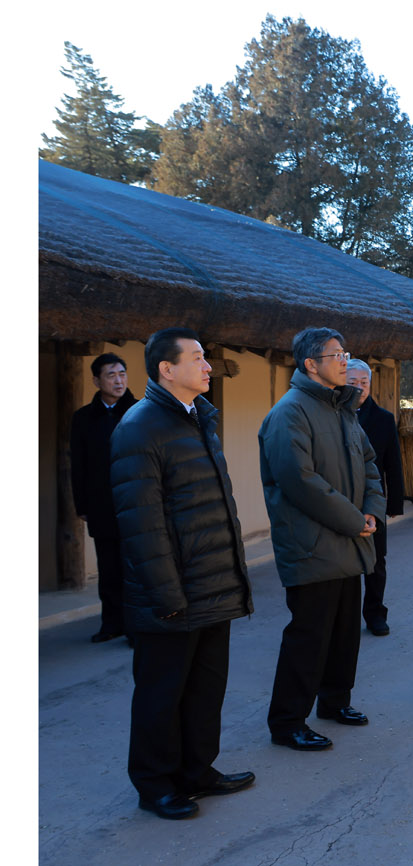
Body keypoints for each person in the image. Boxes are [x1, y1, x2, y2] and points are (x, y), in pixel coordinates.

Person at [110, 328, 254, 820]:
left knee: (204, 689)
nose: (208, 365)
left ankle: (197, 771)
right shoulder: (140, 426)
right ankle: (155, 784)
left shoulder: (198, 420)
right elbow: (142, 523)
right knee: (160, 694)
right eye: (197, 358)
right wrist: (167, 596)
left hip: (213, 584)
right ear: (166, 369)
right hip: (173, 594)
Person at [260, 328, 385, 751]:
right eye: (335, 355)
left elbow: (370, 463)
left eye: (346, 353)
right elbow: (300, 482)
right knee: (308, 637)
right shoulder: (290, 412)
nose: (344, 361)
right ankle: (287, 721)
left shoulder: (342, 409)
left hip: (350, 539)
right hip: (313, 543)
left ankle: (335, 702)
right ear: (310, 364)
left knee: (345, 631)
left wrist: (372, 511)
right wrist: (355, 520)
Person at [71, 352, 137, 644]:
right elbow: (78, 463)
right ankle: (112, 623)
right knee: (108, 568)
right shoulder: (83, 418)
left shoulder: (140, 411)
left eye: (122, 373)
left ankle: (138, 627)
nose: (119, 380)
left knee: (136, 567)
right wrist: (82, 505)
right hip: (101, 504)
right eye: (111, 375)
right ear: (97, 380)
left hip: (136, 503)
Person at [345, 359, 405, 636]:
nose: (359, 388)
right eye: (352, 382)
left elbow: (393, 462)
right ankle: (343, 617)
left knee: (376, 560)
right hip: (342, 499)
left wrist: (394, 503)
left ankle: (375, 613)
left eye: (363, 382)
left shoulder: (382, 418)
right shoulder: (334, 414)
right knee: (344, 561)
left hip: (373, 499)